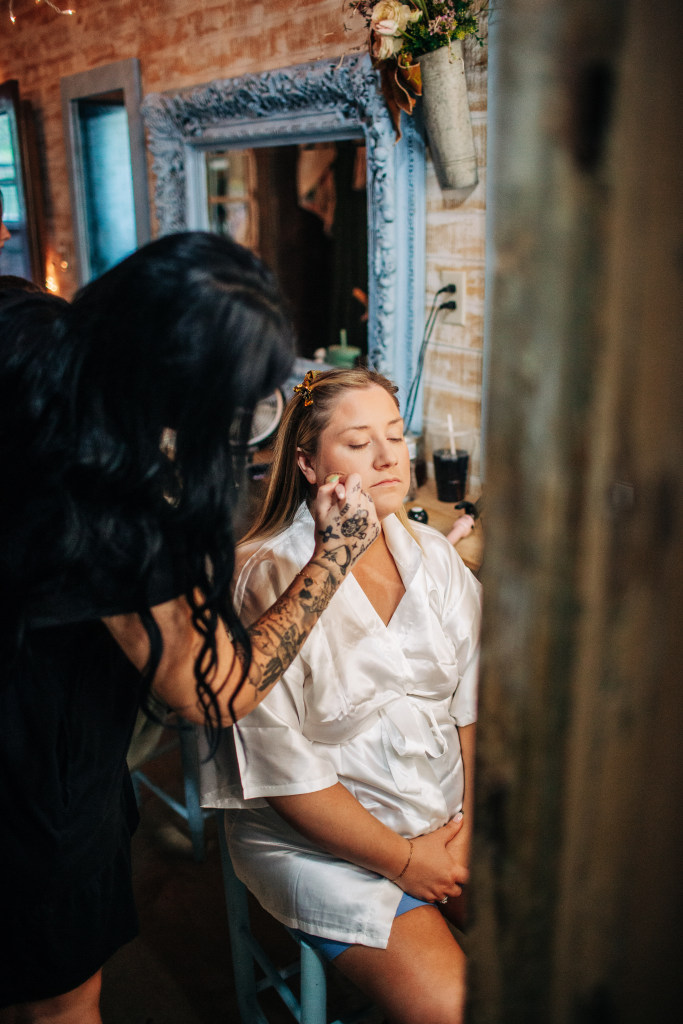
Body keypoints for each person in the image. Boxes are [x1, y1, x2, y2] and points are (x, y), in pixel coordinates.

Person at [0, 234, 379, 1022]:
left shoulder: (23, 317)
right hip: (31, 770)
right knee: (57, 1004)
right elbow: (214, 691)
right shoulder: (107, 502)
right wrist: (332, 556)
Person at [201, 367, 482, 1024]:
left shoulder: (436, 561)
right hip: (322, 845)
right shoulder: (267, 580)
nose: (388, 456)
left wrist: (466, 828)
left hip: (443, 815)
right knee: (455, 1008)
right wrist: (408, 862)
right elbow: (282, 774)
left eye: (395, 434)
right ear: (305, 460)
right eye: (358, 442)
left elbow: (468, 711)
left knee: (552, 941)